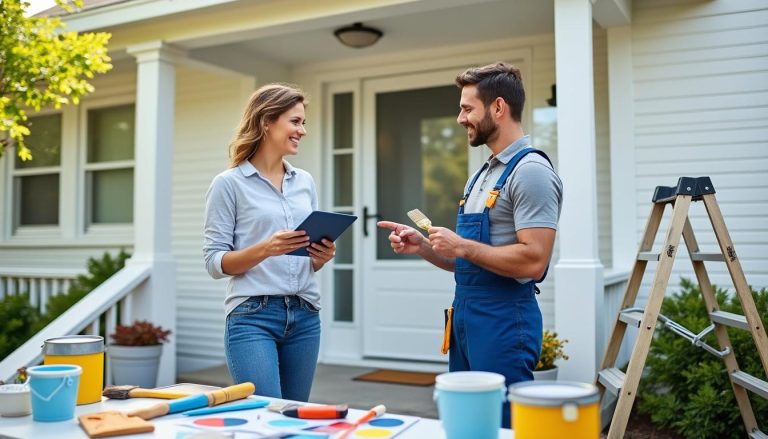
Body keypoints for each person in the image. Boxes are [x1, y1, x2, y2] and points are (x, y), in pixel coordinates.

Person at [378, 62, 563, 428]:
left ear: (498, 108)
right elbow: (470, 260)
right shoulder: (482, 174)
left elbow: (534, 261)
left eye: (467, 108)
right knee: (468, 423)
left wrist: (461, 246)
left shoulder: (532, 172)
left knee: (502, 424)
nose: (460, 118)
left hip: (504, 320)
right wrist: (425, 247)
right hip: (465, 317)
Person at [203, 83, 336, 401]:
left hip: (305, 314)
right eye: (295, 121)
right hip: (253, 316)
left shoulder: (304, 181)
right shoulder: (229, 184)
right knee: (264, 416)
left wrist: (321, 255)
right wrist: (267, 248)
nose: (302, 130)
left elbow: (307, 259)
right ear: (266, 122)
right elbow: (214, 263)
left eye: (303, 122)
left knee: (293, 417)